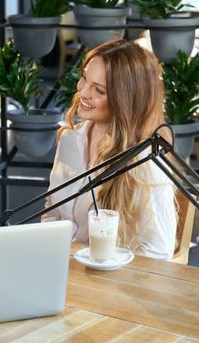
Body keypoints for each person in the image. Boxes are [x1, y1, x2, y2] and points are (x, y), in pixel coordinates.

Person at [42, 40, 177, 260]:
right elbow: (53, 210)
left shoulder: (144, 160)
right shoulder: (69, 140)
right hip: (63, 267)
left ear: (124, 100)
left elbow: (158, 252)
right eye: (85, 78)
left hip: (113, 282)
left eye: (99, 90)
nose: (83, 92)